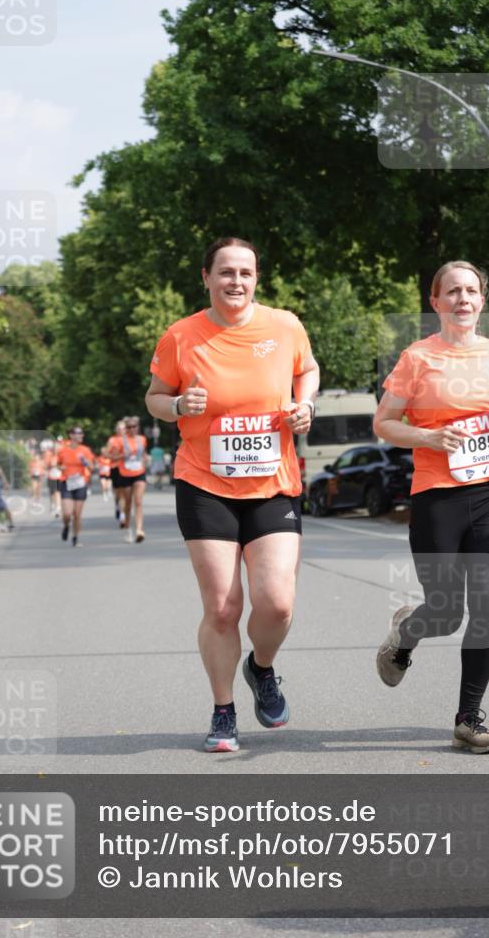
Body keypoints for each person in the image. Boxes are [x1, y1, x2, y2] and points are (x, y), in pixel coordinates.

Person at [146, 236, 319, 752]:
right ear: (206, 277)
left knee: (277, 604)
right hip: (205, 483)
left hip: (272, 483)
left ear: (257, 278)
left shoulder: (285, 325)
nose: (236, 282)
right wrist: (178, 406)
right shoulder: (181, 336)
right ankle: (223, 712)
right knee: (223, 608)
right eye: (225, 272)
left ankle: (260, 667)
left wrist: (304, 404)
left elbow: (306, 370)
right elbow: (155, 397)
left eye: (245, 272)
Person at [373, 259, 489, 754]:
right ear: (435, 302)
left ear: (482, 300)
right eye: (452, 292)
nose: (463, 299)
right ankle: (406, 632)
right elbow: (384, 423)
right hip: (437, 494)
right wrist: (430, 436)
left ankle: (468, 719)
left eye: (471, 291)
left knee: (488, 608)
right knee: (445, 612)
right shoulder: (417, 358)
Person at [55, 426, 95, 548]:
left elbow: (92, 468)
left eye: (82, 433)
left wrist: (87, 463)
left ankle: (75, 537)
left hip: (80, 483)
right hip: (66, 483)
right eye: (78, 433)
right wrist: (60, 468)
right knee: (67, 513)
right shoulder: (63, 450)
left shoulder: (85, 450)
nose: (81, 436)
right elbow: (57, 464)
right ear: (71, 435)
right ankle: (66, 526)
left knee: (77, 514)